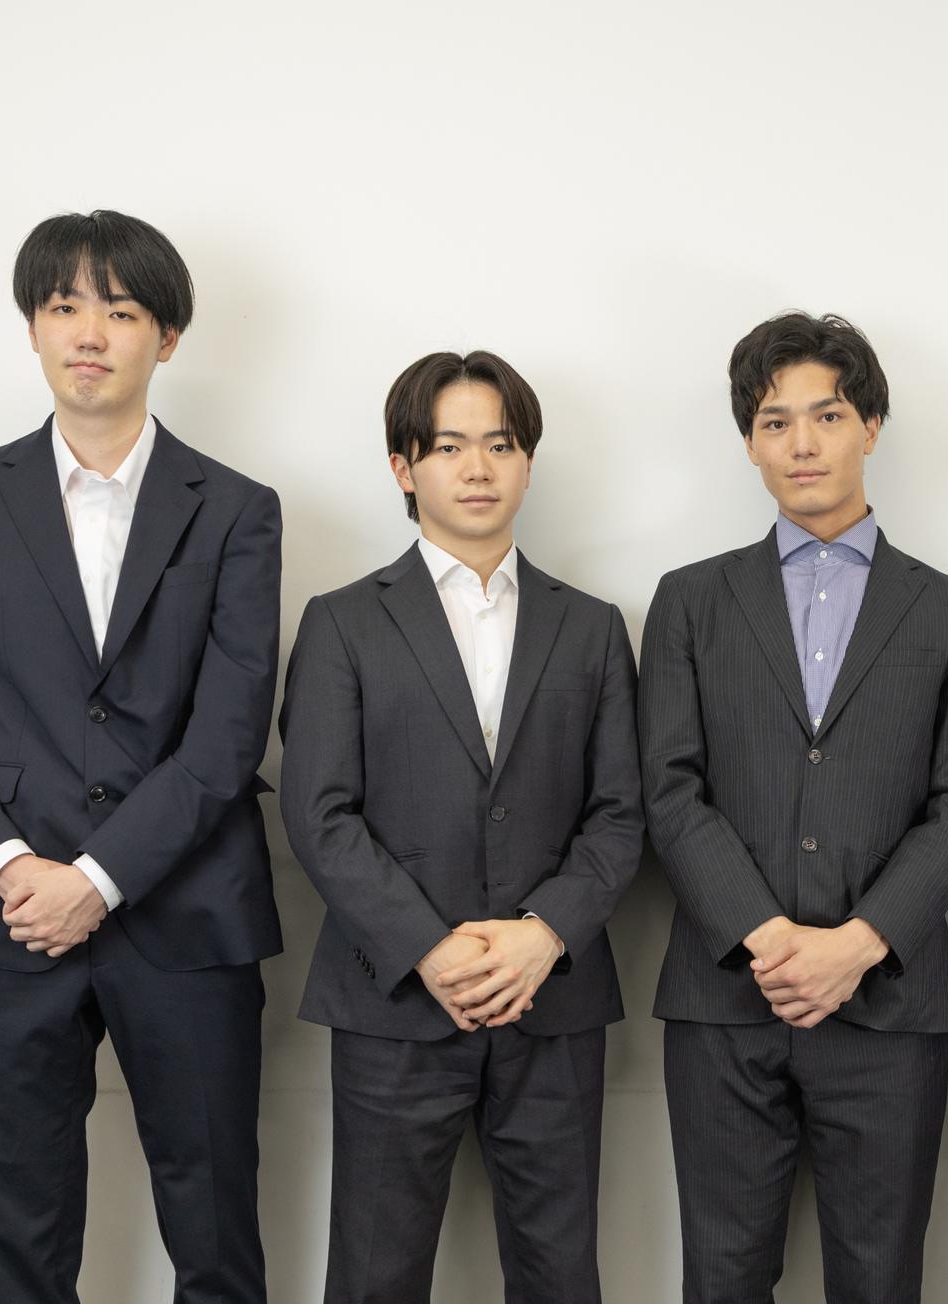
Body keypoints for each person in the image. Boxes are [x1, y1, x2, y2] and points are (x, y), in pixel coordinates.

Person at [0, 210, 282, 1302]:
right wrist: (12, 866)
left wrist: (96, 879)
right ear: (33, 327)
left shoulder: (236, 509)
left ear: (168, 336)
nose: (89, 333)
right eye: (64, 306)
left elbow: (228, 732)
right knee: (21, 1238)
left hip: (190, 911)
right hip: (12, 916)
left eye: (121, 310)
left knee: (216, 1238)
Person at [639, 312, 948, 1302]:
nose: (802, 442)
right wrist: (768, 939)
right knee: (722, 1277)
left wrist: (855, 943)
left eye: (828, 415)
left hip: (887, 1004)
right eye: (775, 421)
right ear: (749, 442)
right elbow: (668, 787)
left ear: (871, 426)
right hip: (724, 999)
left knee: (879, 1279)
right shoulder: (688, 601)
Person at [280, 349, 642, 1303]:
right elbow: (318, 813)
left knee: (561, 1276)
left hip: (552, 1002)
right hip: (393, 1001)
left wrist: (542, 936)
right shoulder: (342, 622)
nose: (478, 467)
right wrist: (429, 949)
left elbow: (620, 812)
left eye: (501, 444)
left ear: (528, 463)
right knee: (375, 1274)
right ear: (404, 467)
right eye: (448, 447)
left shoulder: (592, 626)